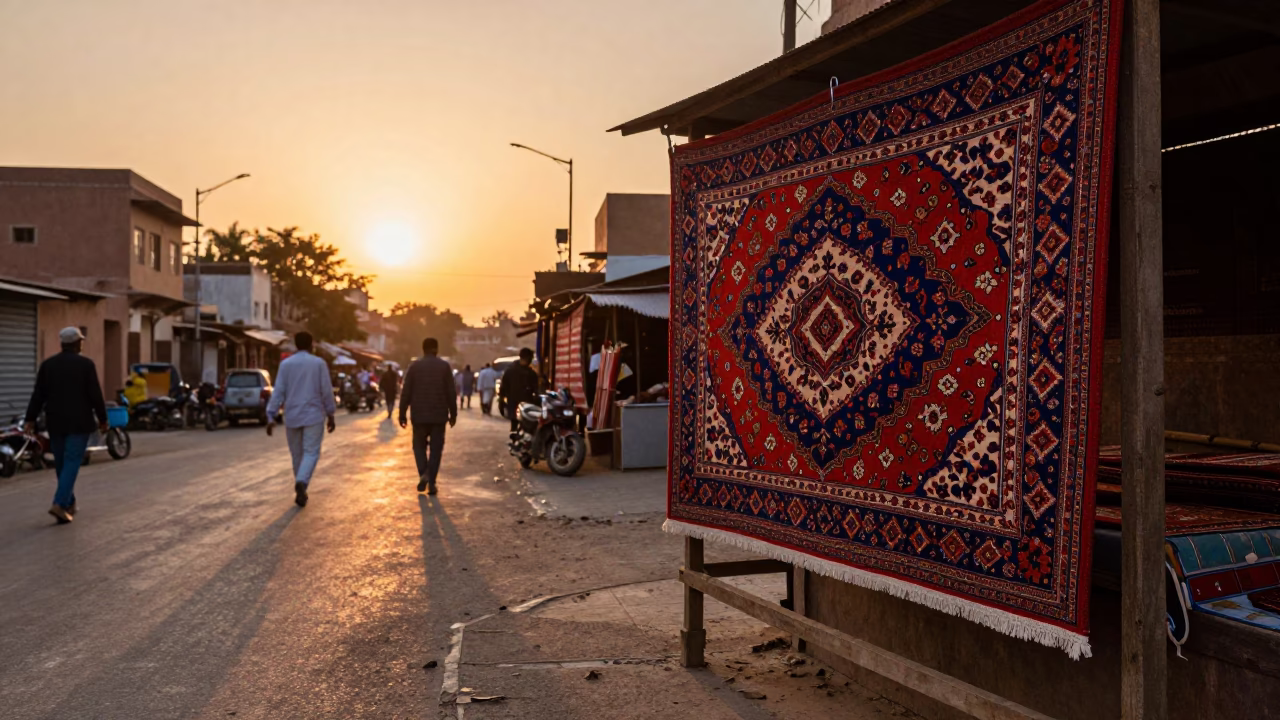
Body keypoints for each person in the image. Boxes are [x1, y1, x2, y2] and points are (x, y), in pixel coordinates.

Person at [24, 327, 108, 524]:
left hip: (56, 422)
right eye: (81, 341)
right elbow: (95, 394)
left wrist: (30, 418)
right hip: (79, 423)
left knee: (62, 463)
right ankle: (60, 503)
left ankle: (69, 502)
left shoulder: (48, 365)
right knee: (71, 462)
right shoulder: (86, 365)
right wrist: (103, 419)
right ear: (77, 343)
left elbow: (38, 395)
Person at [265, 331, 337, 508]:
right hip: (313, 415)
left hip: (292, 415)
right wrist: (331, 413)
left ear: (296, 345)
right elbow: (326, 391)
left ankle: (301, 484)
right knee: (311, 452)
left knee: (297, 454)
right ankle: (302, 483)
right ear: (311, 344)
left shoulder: (286, 364)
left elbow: (278, 390)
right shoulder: (319, 364)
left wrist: (270, 414)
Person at [399, 337, 457, 495]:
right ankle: (431, 482)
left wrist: (402, 413)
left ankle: (424, 473)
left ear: (423, 349)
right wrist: (453, 413)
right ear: (436, 349)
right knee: (436, 449)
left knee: (418, 447)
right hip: (438, 416)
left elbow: (406, 392)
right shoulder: (444, 367)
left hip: (419, 415)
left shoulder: (414, 367)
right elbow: (451, 392)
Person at [499, 347, 539, 433]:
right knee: (522, 427)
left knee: (519, 427)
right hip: (521, 405)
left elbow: (503, 388)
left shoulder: (510, 371)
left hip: (518, 404)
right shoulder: (529, 373)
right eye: (531, 358)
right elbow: (503, 388)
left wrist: (501, 401)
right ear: (527, 358)